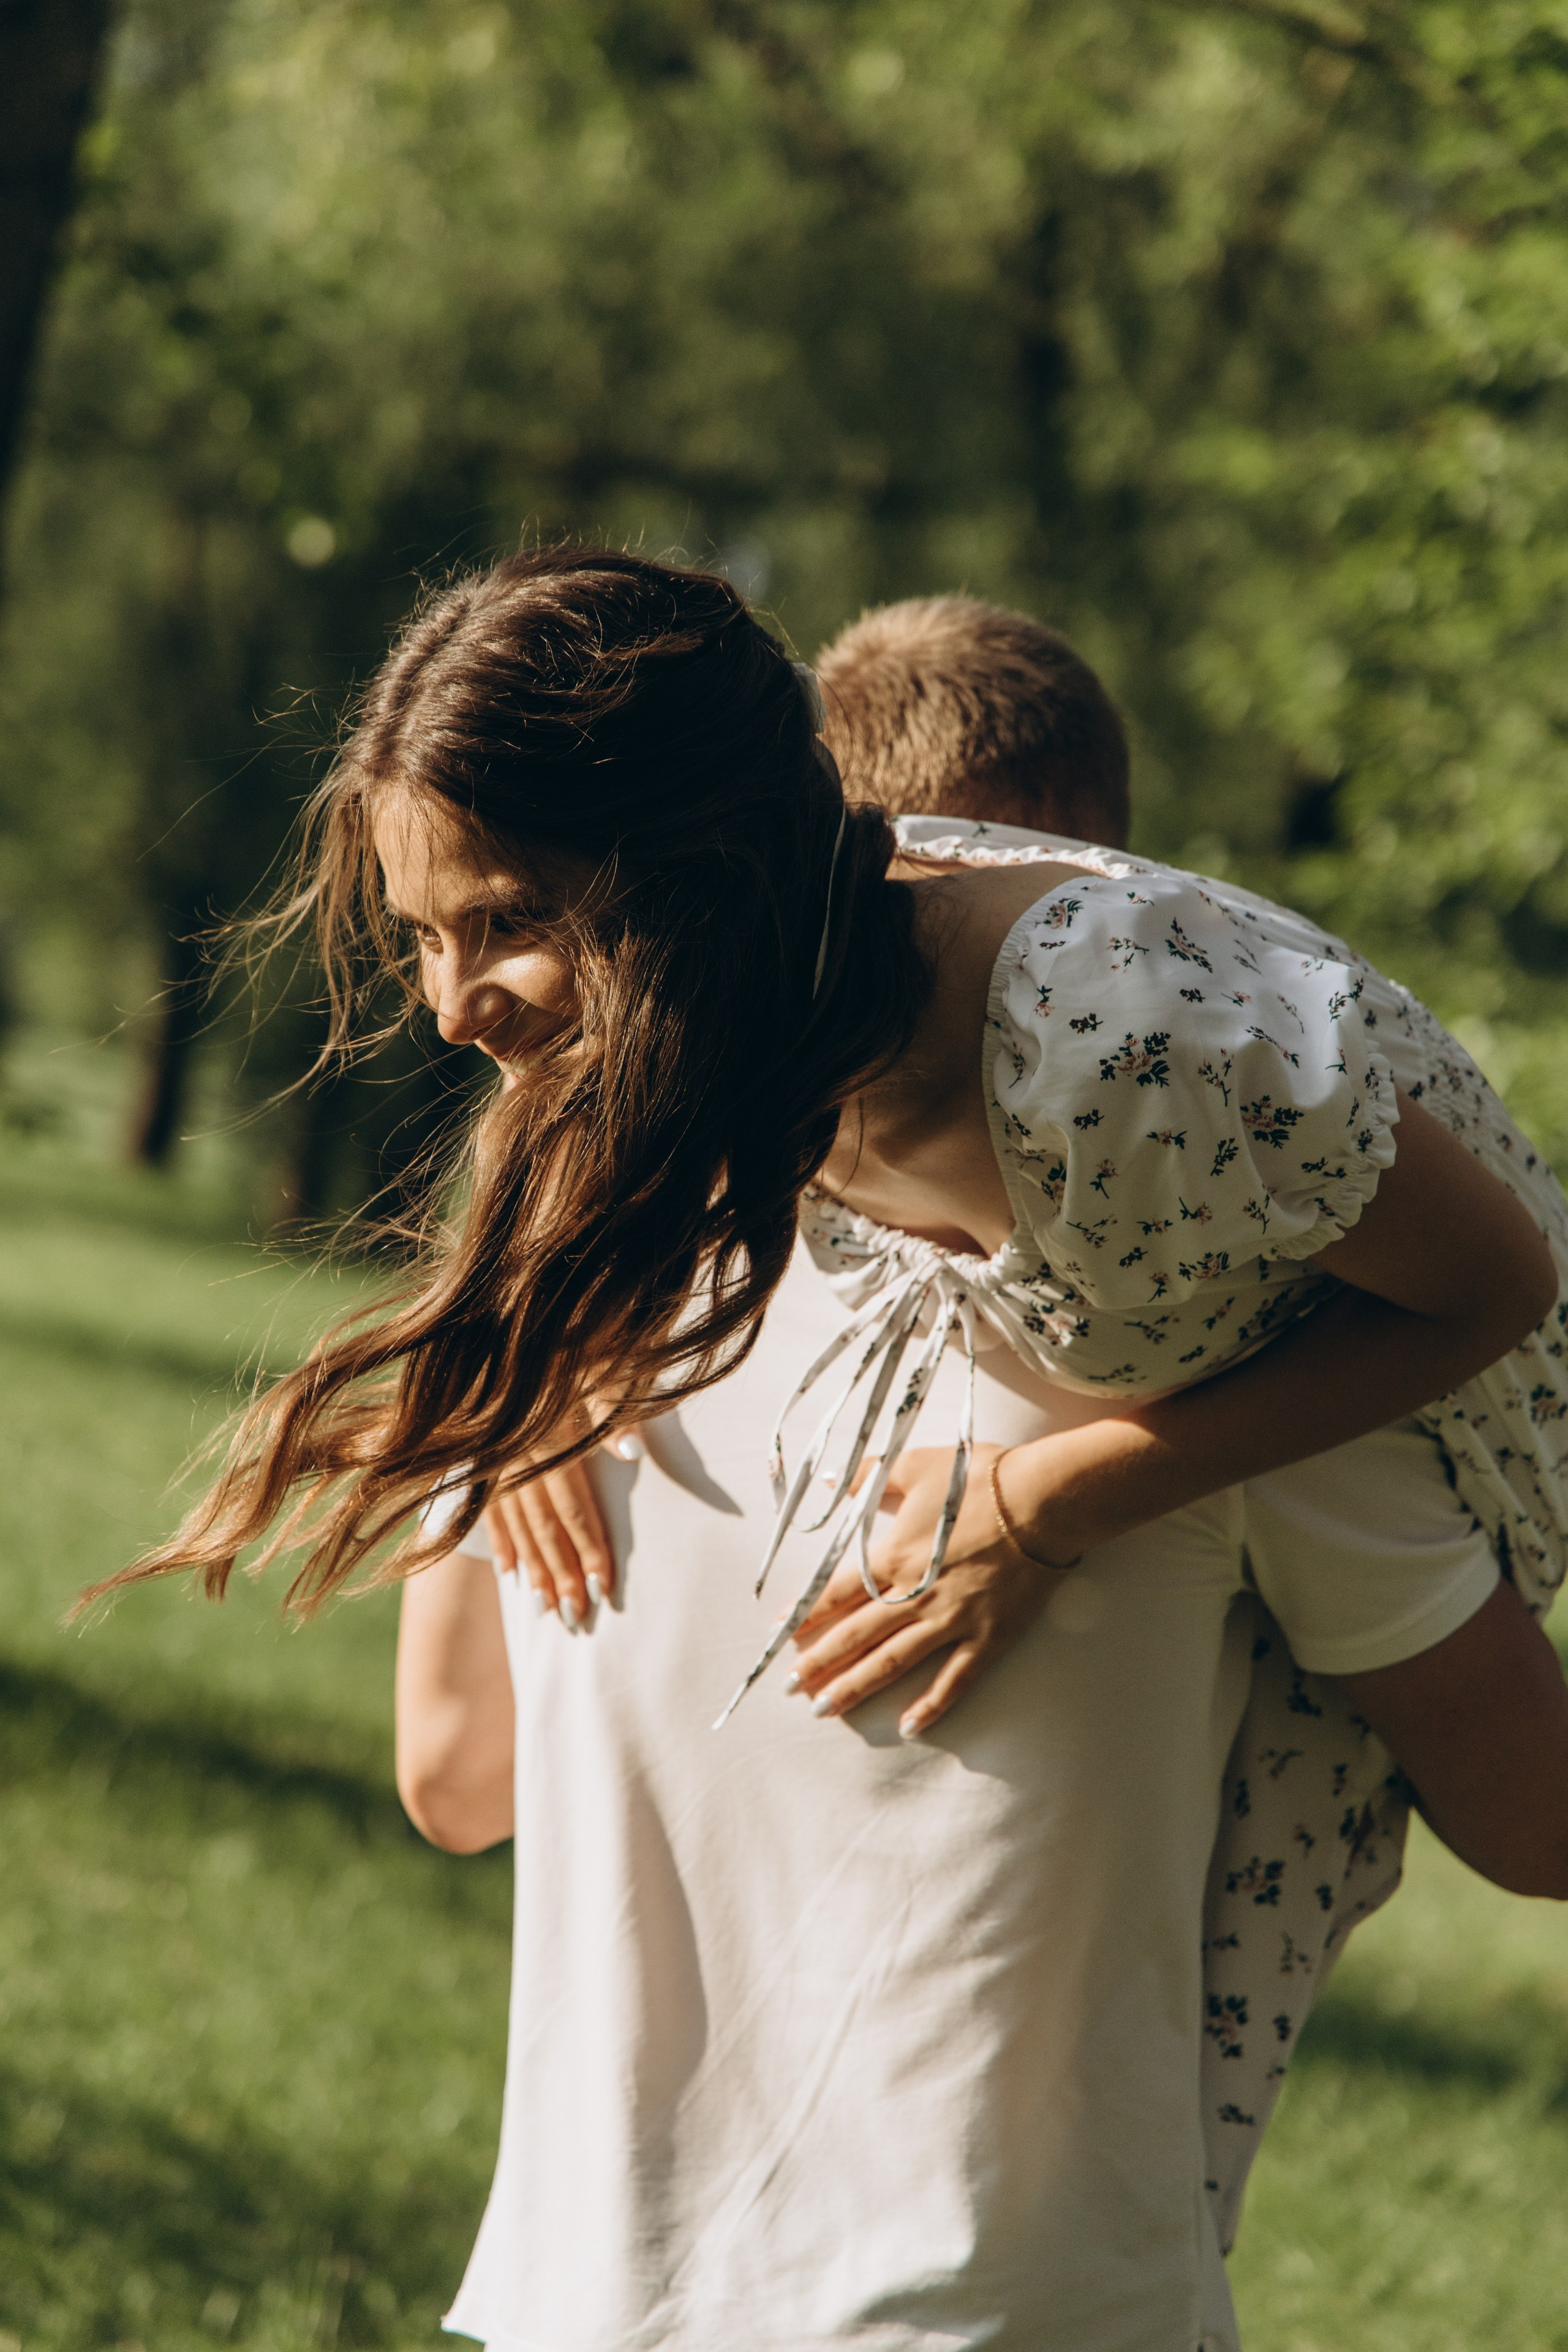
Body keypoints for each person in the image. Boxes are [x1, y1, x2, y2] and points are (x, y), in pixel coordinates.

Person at [105, 549, 1568, 2352]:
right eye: (424, 934)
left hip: (684, 2282)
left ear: (710, 879)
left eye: (502, 922)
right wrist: (528, 1373)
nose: (453, 1006)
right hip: (917, 2288)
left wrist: (1049, 1499)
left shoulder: (1185, 1276)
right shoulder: (647, 1207)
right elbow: (1535, 1815)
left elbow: (454, 1773)